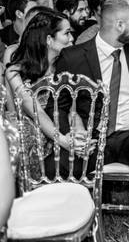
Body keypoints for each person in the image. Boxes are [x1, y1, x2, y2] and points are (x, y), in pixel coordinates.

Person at [53, 0, 129, 216]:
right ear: (120, 25)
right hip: (92, 138)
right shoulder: (73, 58)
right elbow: (59, 106)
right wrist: (71, 135)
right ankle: (65, 222)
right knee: (56, 166)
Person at [5, 11, 85, 159]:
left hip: (63, 131)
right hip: (30, 139)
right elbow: (35, 110)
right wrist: (63, 141)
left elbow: (72, 108)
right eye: (67, 33)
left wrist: (79, 132)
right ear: (49, 39)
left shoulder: (67, 66)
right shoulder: (15, 72)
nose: (72, 38)